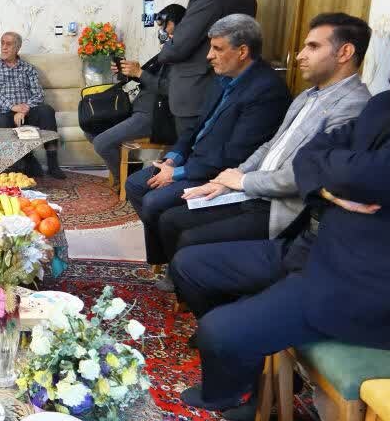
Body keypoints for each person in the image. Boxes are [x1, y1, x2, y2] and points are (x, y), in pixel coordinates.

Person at [170, 0, 390, 419]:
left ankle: (238, 396)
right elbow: (310, 155)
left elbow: (368, 178)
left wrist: (335, 174)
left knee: (220, 331)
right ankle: (254, 357)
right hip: (316, 250)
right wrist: (333, 182)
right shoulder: (388, 104)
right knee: (191, 265)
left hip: (380, 285)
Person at [155, 14, 373, 275]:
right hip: (255, 190)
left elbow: (303, 175)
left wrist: (243, 181)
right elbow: (271, 145)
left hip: (282, 208)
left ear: (345, 52)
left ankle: (203, 287)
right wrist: (229, 179)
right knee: (172, 219)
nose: (300, 55)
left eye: (313, 47)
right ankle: (184, 281)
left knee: (190, 241)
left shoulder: (353, 105)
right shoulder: (308, 95)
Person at [124, 15, 290, 270]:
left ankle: (178, 265)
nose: (209, 56)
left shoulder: (267, 91)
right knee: (135, 184)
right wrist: (174, 158)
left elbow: (234, 155)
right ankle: (166, 257)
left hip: (217, 172)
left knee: (155, 202)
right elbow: (195, 126)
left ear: (242, 51)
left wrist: (177, 174)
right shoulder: (223, 77)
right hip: (194, 160)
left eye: (217, 48)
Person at [156, 0, 257, 136]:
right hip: (229, 88)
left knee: (190, 152)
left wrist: (166, 46)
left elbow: (179, 46)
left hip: (196, 95)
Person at [87, 5, 185, 180]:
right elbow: (146, 78)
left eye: (166, 28)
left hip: (154, 116)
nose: (163, 33)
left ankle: (126, 180)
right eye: (161, 29)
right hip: (136, 108)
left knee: (101, 143)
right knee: (89, 125)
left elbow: (171, 89)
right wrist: (125, 72)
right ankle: (130, 171)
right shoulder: (166, 51)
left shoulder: (183, 55)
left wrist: (139, 73)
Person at [0, 31, 65, 179]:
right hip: (2, 112)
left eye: (8, 44)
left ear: (18, 47)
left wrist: (24, 109)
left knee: (47, 111)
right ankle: (26, 160)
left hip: (26, 110)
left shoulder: (28, 68)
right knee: (1, 121)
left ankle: (53, 165)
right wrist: (12, 107)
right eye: (2, 43)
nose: (4, 47)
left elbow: (38, 93)